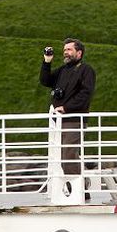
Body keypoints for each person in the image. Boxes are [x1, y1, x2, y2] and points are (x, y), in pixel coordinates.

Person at [39, 38, 96, 177]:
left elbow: (85, 94)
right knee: (60, 157)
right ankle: (79, 189)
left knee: (68, 156)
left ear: (79, 53)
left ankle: (78, 190)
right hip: (58, 121)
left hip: (74, 120)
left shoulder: (86, 70)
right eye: (64, 50)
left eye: (69, 49)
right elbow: (45, 81)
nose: (65, 52)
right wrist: (47, 62)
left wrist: (66, 108)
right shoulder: (63, 70)